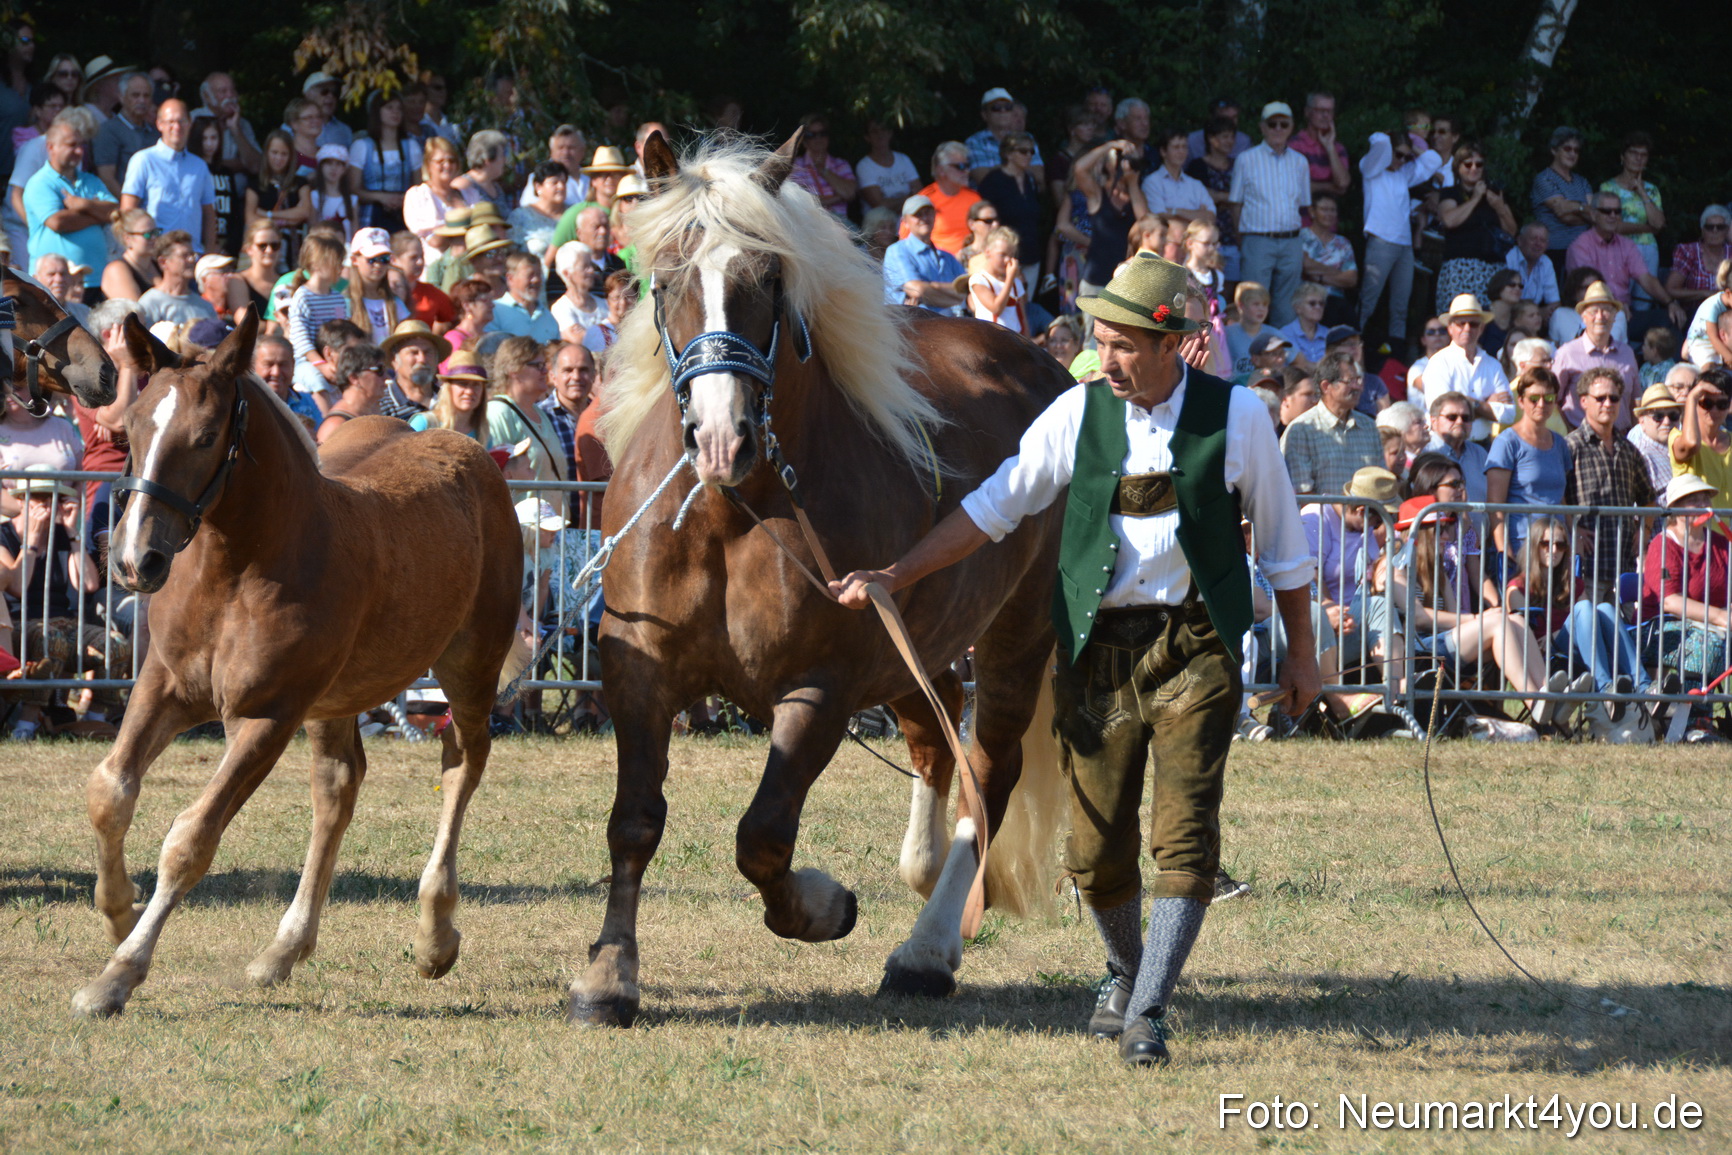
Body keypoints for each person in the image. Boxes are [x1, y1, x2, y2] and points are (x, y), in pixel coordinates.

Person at [827, 253, 1319, 1068]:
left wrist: (1303, 650)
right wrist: (895, 571)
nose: (1106, 357)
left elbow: (1287, 547)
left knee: (1185, 836)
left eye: (1122, 344)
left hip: (1199, 646)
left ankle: (1148, 1010)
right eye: (1101, 340)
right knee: (1093, 853)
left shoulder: (1240, 419)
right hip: (1096, 647)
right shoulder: (1075, 416)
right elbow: (992, 506)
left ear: (1172, 343)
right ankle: (1125, 971)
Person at [1390, 494, 1550, 718]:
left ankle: (1550, 694)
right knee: (1496, 621)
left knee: (1516, 620)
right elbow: (1419, 618)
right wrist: (1478, 619)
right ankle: (1535, 702)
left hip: (1443, 644)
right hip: (1417, 651)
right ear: (1420, 535)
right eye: (1440, 530)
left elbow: (1456, 616)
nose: (1448, 536)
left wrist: (1478, 619)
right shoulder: (1396, 570)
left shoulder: (1438, 571)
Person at [1504, 516, 1644, 698]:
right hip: (1545, 658)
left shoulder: (1572, 583)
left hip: (1576, 648)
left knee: (1606, 610)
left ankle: (1644, 685)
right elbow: (1525, 639)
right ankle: (1604, 687)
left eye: (1560, 545)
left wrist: (1554, 634)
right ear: (1534, 546)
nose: (1554, 550)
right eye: (1546, 544)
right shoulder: (1517, 588)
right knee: (1587, 607)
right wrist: (1554, 637)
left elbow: (1586, 620)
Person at [1565, 366, 1654, 594]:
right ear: (1583, 401)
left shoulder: (1629, 450)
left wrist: (1643, 529)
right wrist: (1572, 527)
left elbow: (1648, 498)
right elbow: (1557, 495)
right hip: (1585, 568)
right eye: (1600, 398)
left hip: (1623, 568)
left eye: (1614, 398)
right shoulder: (1570, 446)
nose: (1608, 403)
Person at [1640, 474, 1731, 691]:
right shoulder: (1663, 545)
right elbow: (1669, 602)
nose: (1703, 505)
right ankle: (1693, 716)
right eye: (1694, 500)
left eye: (1705, 499)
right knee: (1706, 646)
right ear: (1676, 508)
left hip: (1713, 626)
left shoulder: (1720, 544)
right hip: (1659, 630)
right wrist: (1720, 617)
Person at [1358, 128, 1441, 353]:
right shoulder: (1372, 168)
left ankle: (1395, 357)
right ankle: (1353, 350)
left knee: (1401, 307)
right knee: (1368, 302)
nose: (1402, 160)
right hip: (1380, 241)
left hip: (1404, 246)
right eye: (1398, 155)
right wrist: (1391, 136)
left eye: (1407, 157)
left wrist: (1411, 148)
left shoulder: (1404, 173)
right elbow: (1381, 142)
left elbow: (1434, 160)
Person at [1566, 190, 1687, 332]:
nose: (1613, 216)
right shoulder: (1580, 246)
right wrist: (1612, 304)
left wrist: (1670, 302)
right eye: (1606, 211)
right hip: (1593, 316)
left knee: (1672, 317)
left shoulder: (1627, 245)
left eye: (1617, 211)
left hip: (1626, 314)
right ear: (1593, 215)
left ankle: (1674, 355)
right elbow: (1589, 288)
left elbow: (1646, 279)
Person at [1485, 366, 1572, 558]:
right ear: (1521, 401)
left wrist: (1572, 542)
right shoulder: (1506, 442)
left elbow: (1562, 498)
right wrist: (1503, 551)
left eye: (1548, 398)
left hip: (1557, 546)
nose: (1541, 404)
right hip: (1522, 545)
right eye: (1534, 398)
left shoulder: (1560, 443)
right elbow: (1495, 505)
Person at [22, 120, 113, 297]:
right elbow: (58, 222)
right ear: (51, 147)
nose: (79, 151)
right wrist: (98, 214)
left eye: (81, 145)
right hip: (55, 285)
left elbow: (116, 212)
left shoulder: (91, 181)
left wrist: (85, 205)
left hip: (97, 280)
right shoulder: (39, 183)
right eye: (72, 145)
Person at [119, 98, 215, 253]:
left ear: (189, 123)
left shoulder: (199, 166)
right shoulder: (144, 160)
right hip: (155, 254)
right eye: (170, 121)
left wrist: (210, 253)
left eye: (181, 121)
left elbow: (209, 214)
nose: (176, 127)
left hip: (193, 255)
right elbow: (128, 211)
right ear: (159, 124)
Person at [485, 334, 567, 513]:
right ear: (514, 370)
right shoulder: (499, 412)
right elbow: (498, 474)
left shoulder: (540, 413)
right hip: (524, 529)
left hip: (551, 530)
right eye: (537, 366)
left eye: (544, 365)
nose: (545, 371)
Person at [1281, 350, 1380, 494]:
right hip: (1316, 516)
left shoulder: (1369, 427)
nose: (1357, 387)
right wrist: (1341, 513)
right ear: (1326, 386)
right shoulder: (1301, 430)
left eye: (1359, 380)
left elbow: (1380, 483)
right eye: (1350, 381)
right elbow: (1301, 493)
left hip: (1367, 515)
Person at [1415, 293, 1512, 441]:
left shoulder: (1493, 365)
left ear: (1481, 328)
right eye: (1461, 323)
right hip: (1446, 444)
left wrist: (1461, 404)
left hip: (1484, 445)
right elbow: (1441, 412)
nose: (1467, 328)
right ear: (1450, 328)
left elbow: (1509, 415)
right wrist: (1485, 405)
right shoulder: (1439, 362)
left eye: (1473, 324)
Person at [1434, 142, 1516, 313]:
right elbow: (1449, 220)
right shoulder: (1450, 193)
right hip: (1460, 269)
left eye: (1479, 164)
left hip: (1492, 269)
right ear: (1458, 167)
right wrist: (1475, 199)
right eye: (1468, 164)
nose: (1474, 168)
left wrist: (1499, 207)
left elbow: (1512, 231)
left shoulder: (1493, 194)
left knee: (1489, 321)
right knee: (1458, 318)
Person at [537, 339, 608, 528]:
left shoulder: (604, 419)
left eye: (583, 370)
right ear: (553, 376)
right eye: (568, 370)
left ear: (594, 375)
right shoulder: (540, 418)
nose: (576, 377)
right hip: (553, 528)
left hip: (591, 526)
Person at [1553, 282, 1641, 431]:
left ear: (1615, 316)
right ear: (1583, 317)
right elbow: (1552, 400)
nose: (1600, 317)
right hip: (1580, 443)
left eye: (1606, 310)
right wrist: (1568, 432)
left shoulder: (1627, 353)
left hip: (1621, 441)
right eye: (1594, 311)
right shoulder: (1567, 353)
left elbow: (1635, 402)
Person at [1599, 132, 1665, 311]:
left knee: (1644, 302)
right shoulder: (1607, 187)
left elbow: (1659, 223)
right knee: (1619, 299)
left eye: (1643, 155)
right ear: (1623, 156)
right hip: (1617, 248)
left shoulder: (1652, 190)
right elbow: (1613, 226)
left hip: (1648, 251)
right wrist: (1647, 228)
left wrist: (1642, 192)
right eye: (1633, 153)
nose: (1638, 158)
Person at [975, 131, 1042, 291]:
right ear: (1009, 154)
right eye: (1023, 151)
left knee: (1026, 305)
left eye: (1031, 151)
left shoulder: (1029, 179)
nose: (1029, 155)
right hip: (1004, 256)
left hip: (1031, 253)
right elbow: (986, 219)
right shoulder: (993, 181)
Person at [403, 135, 478, 266]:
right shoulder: (418, 195)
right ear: (428, 165)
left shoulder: (469, 193)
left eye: (452, 160)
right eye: (440, 161)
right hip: (436, 268)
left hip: (472, 264)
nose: (447, 165)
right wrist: (467, 228)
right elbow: (434, 241)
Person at [881, 194, 964, 312]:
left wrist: (931, 287)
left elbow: (968, 289)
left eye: (928, 212)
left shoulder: (947, 256)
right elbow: (916, 289)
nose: (924, 218)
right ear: (904, 221)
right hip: (912, 326)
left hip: (948, 325)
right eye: (918, 214)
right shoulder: (897, 250)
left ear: (934, 216)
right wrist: (957, 298)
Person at [1530, 127, 1593, 276]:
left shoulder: (1582, 181)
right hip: (1554, 254)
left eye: (1576, 151)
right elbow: (1563, 215)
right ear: (1554, 150)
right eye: (1567, 149)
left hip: (1583, 251)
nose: (1572, 154)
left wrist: (1575, 208)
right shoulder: (1544, 179)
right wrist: (1585, 210)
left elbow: (1595, 215)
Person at [1669, 366, 1732, 507]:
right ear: (1695, 403)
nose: (1714, 410)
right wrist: (1691, 397)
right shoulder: (1676, 437)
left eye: (1722, 404)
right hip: (1696, 526)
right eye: (1707, 403)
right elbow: (1691, 444)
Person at [910, 141, 980, 257]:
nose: (966, 171)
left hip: (970, 264)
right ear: (941, 170)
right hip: (935, 265)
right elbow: (907, 239)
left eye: (967, 166)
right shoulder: (925, 199)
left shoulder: (974, 198)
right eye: (960, 167)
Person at [136, 230, 219, 326]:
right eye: (184, 256)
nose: (191, 259)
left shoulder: (205, 306)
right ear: (163, 262)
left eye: (192, 254)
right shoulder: (150, 304)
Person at [91, 71, 154, 197]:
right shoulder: (108, 131)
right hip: (126, 209)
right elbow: (106, 177)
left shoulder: (156, 132)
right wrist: (130, 208)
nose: (141, 100)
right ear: (121, 97)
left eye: (146, 96)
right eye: (135, 95)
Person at [343, 226, 407, 344]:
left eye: (384, 259)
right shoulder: (345, 301)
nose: (378, 265)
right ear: (354, 260)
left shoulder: (395, 302)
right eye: (371, 259)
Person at [189, 115, 243, 255]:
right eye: (204, 138)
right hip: (198, 243)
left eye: (214, 138)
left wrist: (230, 247)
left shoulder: (226, 173)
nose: (209, 144)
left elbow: (235, 213)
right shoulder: (191, 172)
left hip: (225, 244)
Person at [315, 342, 388, 445]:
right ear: (354, 378)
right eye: (379, 370)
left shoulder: (375, 414)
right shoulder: (336, 426)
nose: (386, 377)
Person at [1300, 192, 1356, 325]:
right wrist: (1338, 273)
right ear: (1312, 211)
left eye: (1333, 210)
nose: (1329, 214)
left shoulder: (1343, 243)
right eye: (1324, 209)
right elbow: (1306, 266)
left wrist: (1319, 278)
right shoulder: (1301, 237)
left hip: (1335, 299)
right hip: (1306, 298)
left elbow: (1352, 279)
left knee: (1347, 319)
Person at [411, 348, 489, 441]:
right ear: (448, 387)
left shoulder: (483, 432)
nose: (469, 391)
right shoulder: (424, 424)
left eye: (476, 385)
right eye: (463, 383)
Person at [378, 318, 450, 418]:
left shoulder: (449, 401)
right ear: (394, 360)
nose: (422, 359)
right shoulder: (381, 405)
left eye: (427, 352)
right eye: (414, 352)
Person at [788, 113, 855, 217]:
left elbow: (850, 194)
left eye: (822, 133)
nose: (818, 138)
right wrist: (838, 197)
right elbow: (803, 201)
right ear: (804, 140)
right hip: (811, 222)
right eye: (812, 135)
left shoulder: (841, 164)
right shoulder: (795, 166)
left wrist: (823, 170)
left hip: (842, 224)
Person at [1666, 205, 1730, 312]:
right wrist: (1704, 293)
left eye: (1720, 227)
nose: (1715, 231)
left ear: (1727, 230)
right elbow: (1670, 289)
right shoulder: (1688, 252)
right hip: (1694, 312)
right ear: (1702, 230)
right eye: (1709, 227)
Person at [251, 330, 320, 427]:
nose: (276, 372)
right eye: (268, 364)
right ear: (252, 367)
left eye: (283, 364)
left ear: (293, 365)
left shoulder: (307, 401)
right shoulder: (245, 406)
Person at [966, 226, 1026, 334]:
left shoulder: (1015, 282)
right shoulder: (979, 280)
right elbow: (996, 308)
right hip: (991, 340)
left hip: (1015, 341)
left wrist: (1028, 342)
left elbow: (1022, 318)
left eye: (1011, 255)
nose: (1007, 260)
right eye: (1002, 255)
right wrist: (1010, 279)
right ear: (988, 252)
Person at [489, 249, 558, 343]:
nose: (536, 280)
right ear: (510, 278)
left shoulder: (548, 316)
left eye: (539, 274)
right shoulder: (494, 311)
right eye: (530, 275)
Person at [855, 117, 919, 215]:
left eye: (884, 129)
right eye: (874, 131)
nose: (880, 134)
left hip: (910, 218)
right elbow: (880, 206)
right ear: (867, 137)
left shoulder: (903, 159)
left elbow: (920, 193)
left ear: (890, 133)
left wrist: (892, 202)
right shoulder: (864, 166)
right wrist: (909, 198)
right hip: (882, 224)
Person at [1628, 382, 1683, 492]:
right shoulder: (1641, 455)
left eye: (1673, 416)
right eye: (1658, 416)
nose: (1667, 422)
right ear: (1642, 422)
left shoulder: (1679, 447)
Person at [510, 160, 568, 260]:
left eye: (563, 182)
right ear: (538, 187)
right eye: (554, 182)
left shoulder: (573, 214)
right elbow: (512, 254)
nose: (561, 187)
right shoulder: (521, 217)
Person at [1505, 222, 1561, 320]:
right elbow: (1503, 301)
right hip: (1508, 316)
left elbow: (1554, 302)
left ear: (1547, 245)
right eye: (1533, 239)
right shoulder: (1509, 258)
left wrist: (1545, 312)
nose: (1538, 244)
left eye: (1542, 240)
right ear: (1520, 241)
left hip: (1533, 319)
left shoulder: (1546, 262)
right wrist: (1538, 312)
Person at [1682, 259, 1732, 368]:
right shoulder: (1712, 306)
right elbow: (1713, 336)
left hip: (1720, 339)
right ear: (1728, 293)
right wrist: (1729, 358)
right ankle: (1703, 382)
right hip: (1701, 340)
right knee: (1709, 364)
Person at [305, 143, 357, 242]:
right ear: (321, 167)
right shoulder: (314, 196)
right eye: (329, 163)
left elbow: (354, 231)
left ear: (344, 169)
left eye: (338, 164)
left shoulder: (352, 200)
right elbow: (311, 229)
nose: (334, 168)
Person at [1224, 282, 1270, 383]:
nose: (1261, 309)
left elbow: (1299, 362)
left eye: (1265, 305)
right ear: (1241, 305)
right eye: (1256, 304)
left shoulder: (1274, 334)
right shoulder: (1227, 334)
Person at [1279, 283, 1329, 371]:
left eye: (1321, 303)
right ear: (1298, 308)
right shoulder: (1285, 333)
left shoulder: (1329, 333)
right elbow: (1300, 365)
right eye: (1312, 303)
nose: (1318, 307)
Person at [453, 130, 509, 205]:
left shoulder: (497, 188)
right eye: (502, 155)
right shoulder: (463, 186)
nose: (505, 160)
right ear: (487, 159)